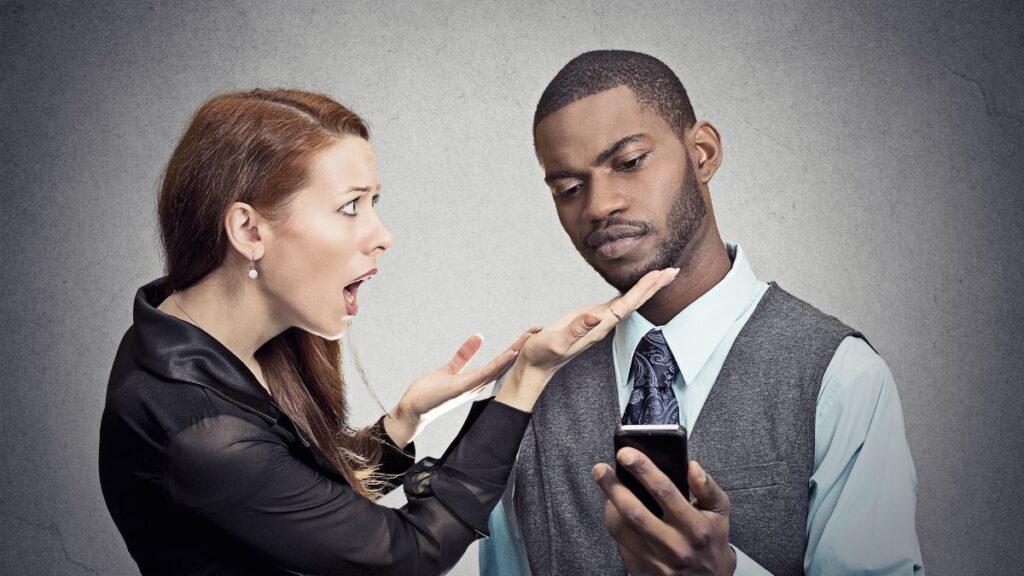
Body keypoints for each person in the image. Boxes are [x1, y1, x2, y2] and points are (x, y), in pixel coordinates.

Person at [97, 88, 680, 575]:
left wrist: (404, 420)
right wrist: (526, 379)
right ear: (249, 230)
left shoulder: (191, 332)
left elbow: (297, 492)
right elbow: (407, 554)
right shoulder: (200, 432)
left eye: (374, 202)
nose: (383, 235)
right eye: (350, 206)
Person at [480, 51, 924, 575]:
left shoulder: (839, 377)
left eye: (629, 162)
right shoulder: (528, 390)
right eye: (569, 189)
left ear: (704, 153)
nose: (599, 206)